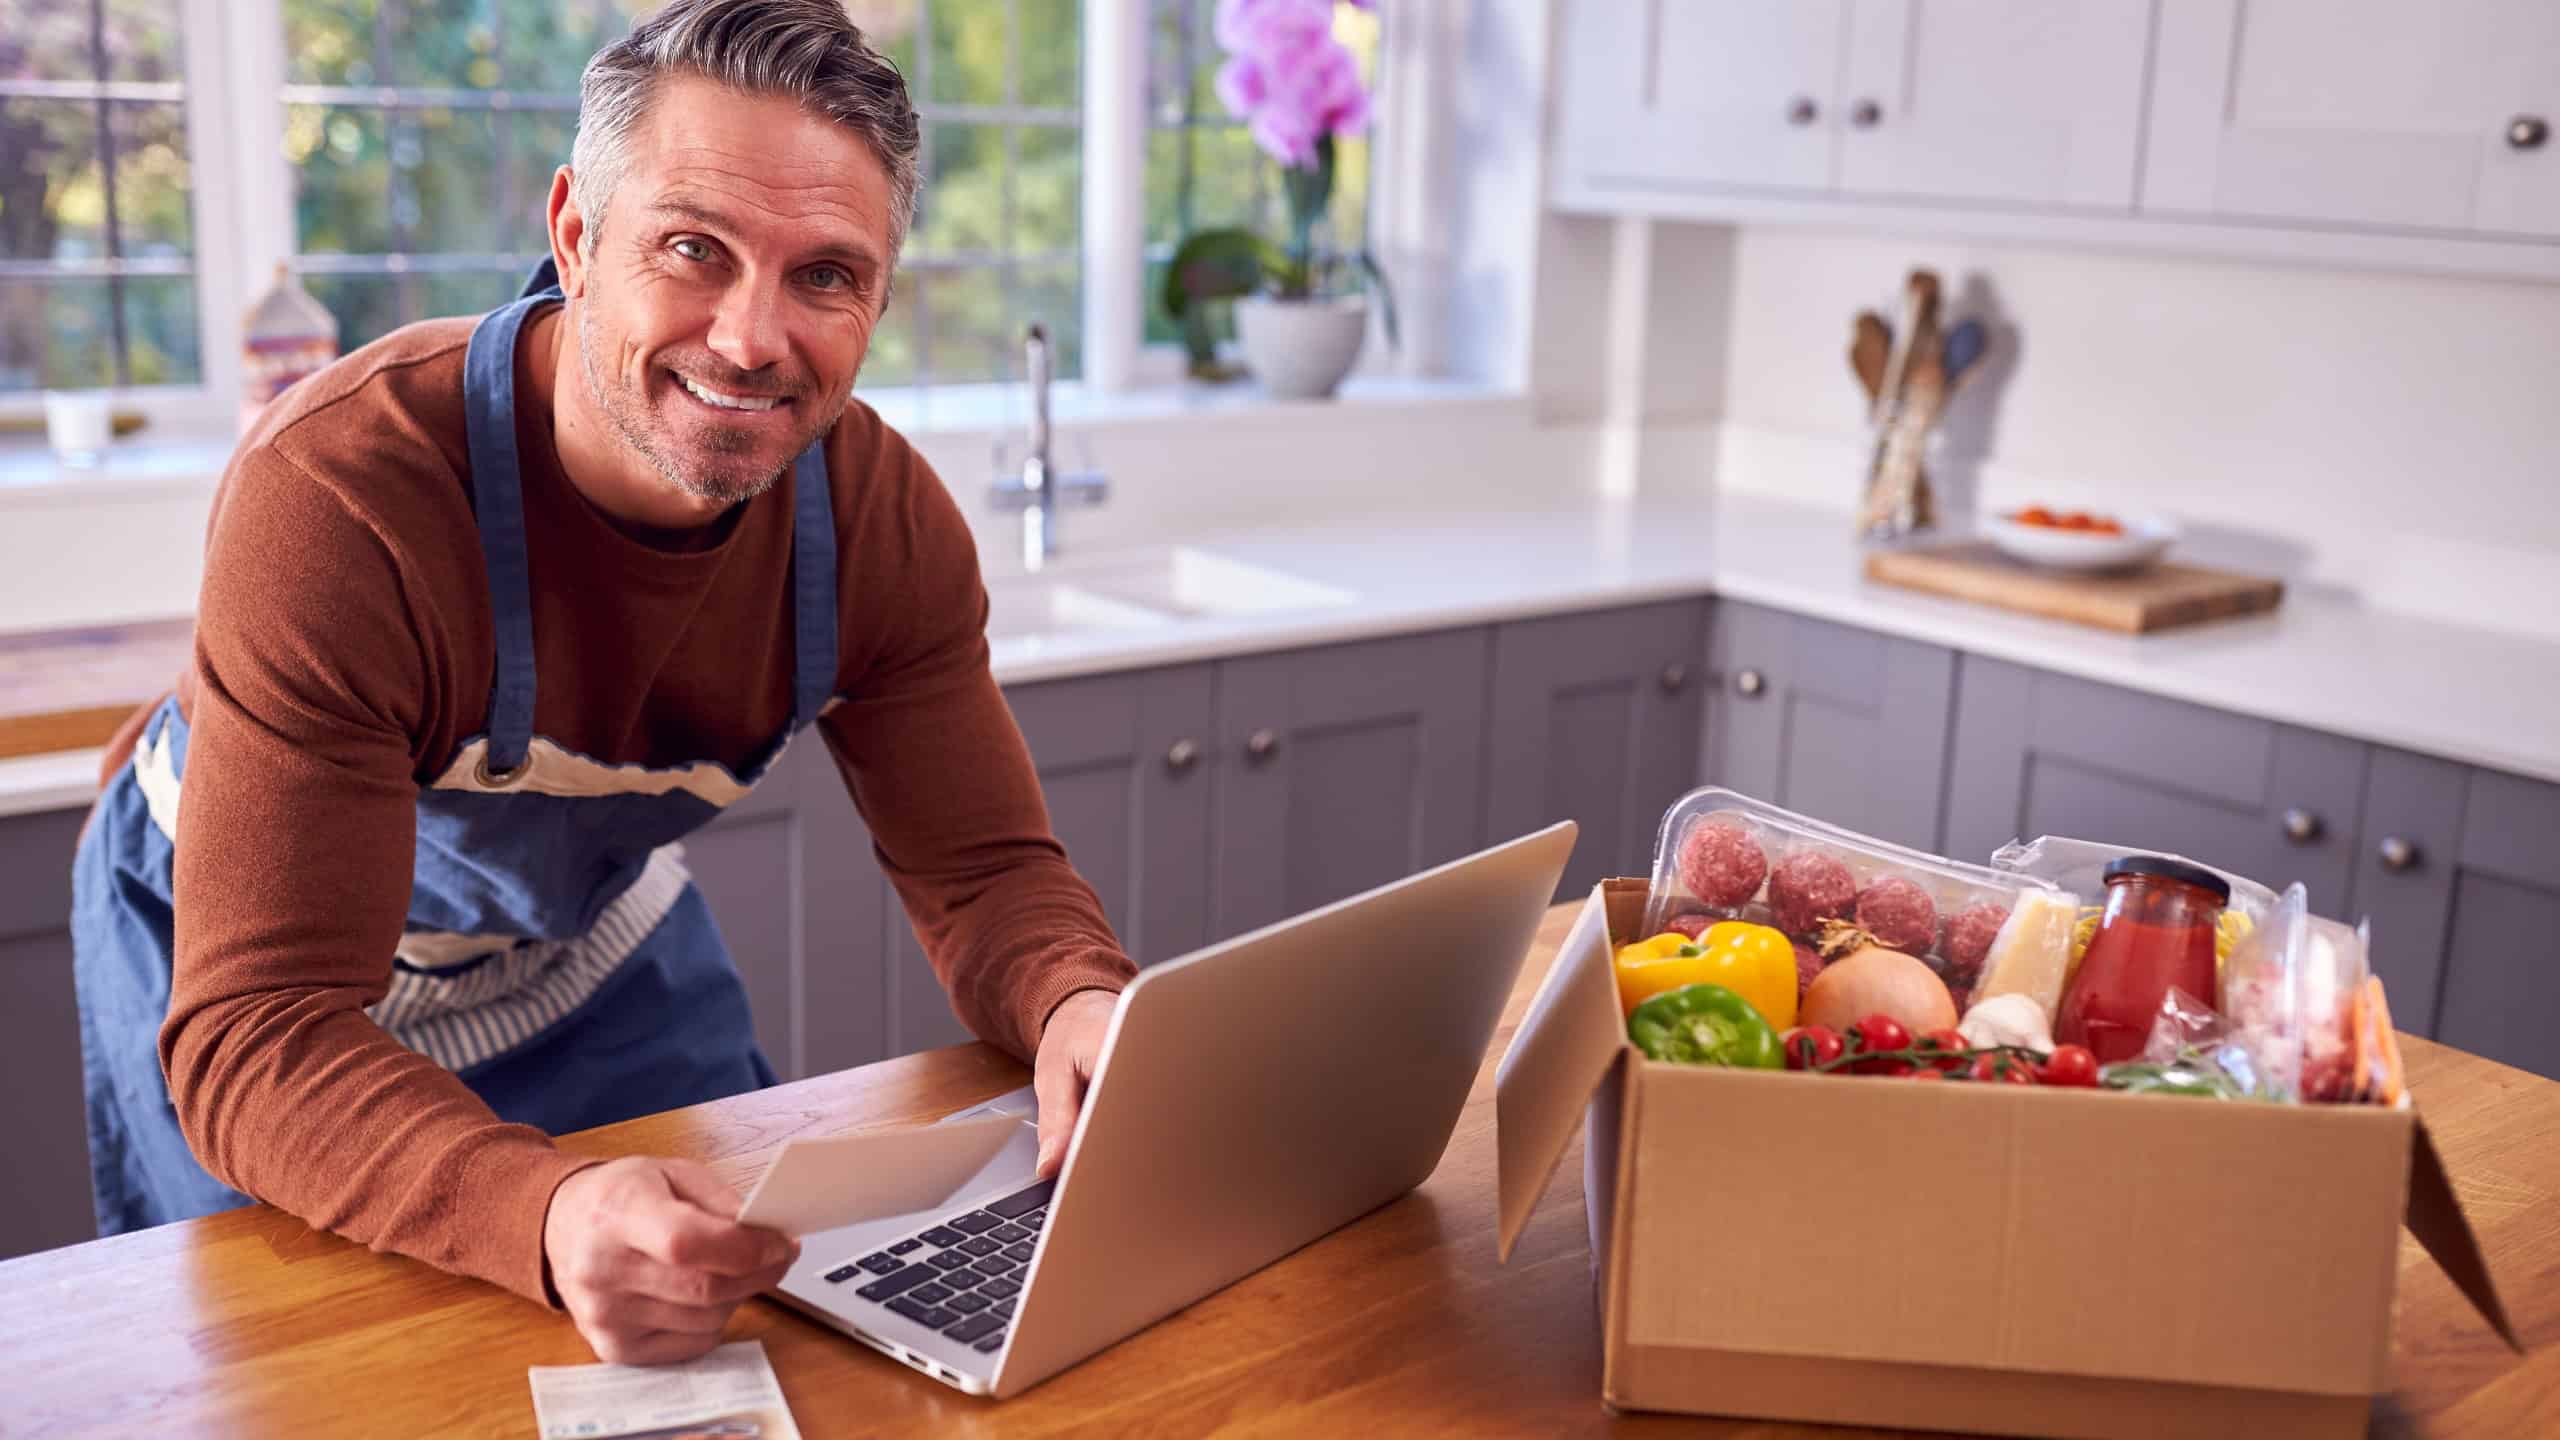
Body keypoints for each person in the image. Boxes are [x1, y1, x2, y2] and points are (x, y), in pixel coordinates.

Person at [69, 0, 1133, 1365]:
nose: (751, 339)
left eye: (824, 276)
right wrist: (547, 1204)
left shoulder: (878, 525)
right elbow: (260, 1028)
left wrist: (1080, 1004)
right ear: (576, 235)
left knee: (735, 1312)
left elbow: (988, 877)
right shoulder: (341, 496)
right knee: (330, 1374)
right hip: (253, 983)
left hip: (572, 944)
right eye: (693, 248)